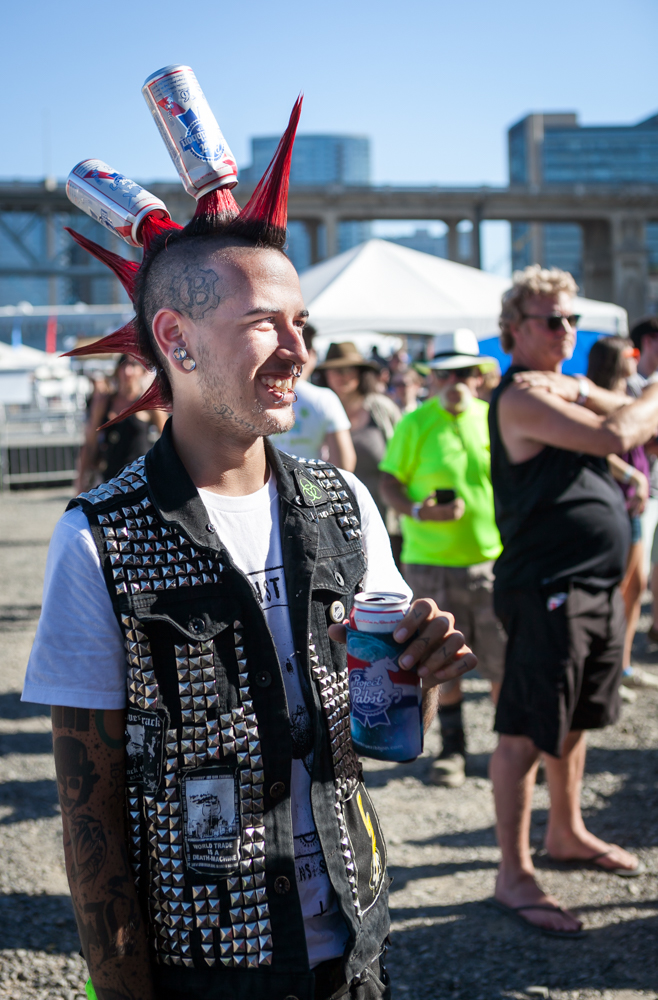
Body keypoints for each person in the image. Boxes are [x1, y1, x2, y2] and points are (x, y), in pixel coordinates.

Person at [23, 99, 476, 1000]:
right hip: (207, 964)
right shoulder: (101, 538)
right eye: (266, 323)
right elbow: (89, 818)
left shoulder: (342, 501)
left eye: (301, 322)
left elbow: (370, 707)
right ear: (176, 340)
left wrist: (418, 662)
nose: (299, 351)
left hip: (355, 942)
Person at [488, 264, 658, 937]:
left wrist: (587, 389)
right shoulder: (521, 395)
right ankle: (513, 874)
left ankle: (566, 830)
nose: (567, 330)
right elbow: (619, 433)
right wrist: (645, 393)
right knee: (526, 731)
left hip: (590, 584)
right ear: (513, 330)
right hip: (547, 588)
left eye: (572, 319)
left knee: (575, 718)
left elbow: (622, 421)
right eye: (552, 319)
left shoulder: (557, 387)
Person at [379, 330, 505, 787]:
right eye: (446, 373)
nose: (455, 382)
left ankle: (507, 749)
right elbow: (389, 482)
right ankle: (453, 750)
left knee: (502, 658)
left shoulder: (494, 418)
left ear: (479, 377)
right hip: (429, 563)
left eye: (464, 372)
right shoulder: (415, 423)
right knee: (440, 660)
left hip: (490, 560)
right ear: (432, 377)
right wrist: (418, 511)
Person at [586, 337, 654, 697]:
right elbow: (599, 448)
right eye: (632, 353)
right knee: (616, 591)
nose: (638, 357)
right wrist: (633, 477)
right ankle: (607, 673)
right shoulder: (594, 400)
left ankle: (622, 665)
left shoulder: (630, 395)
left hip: (633, 503)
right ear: (614, 359)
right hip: (613, 502)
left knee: (635, 587)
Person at [315, 342, 401, 523]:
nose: (342, 376)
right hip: (333, 518)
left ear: (361, 373)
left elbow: (403, 455)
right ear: (325, 374)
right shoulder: (316, 411)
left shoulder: (381, 409)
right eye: (336, 370)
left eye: (349, 370)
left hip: (383, 514)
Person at [75, 354, 167, 491]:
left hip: (141, 481)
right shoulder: (104, 402)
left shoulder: (148, 403)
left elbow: (167, 438)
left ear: (142, 371)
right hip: (111, 480)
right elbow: (89, 444)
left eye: (133, 365)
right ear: (117, 370)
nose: (127, 371)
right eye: (124, 365)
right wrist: (80, 482)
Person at [275, 324, 356, 469]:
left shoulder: (262, 395)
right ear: (310, 354)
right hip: (309, 481)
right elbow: (344, 463)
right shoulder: (325, 399)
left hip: (268, 481)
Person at [626, 317, 658, 656]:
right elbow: (636, 438)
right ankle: (621, 659)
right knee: (636, 580)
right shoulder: (631, 386)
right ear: (649, 341)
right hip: (641, 495)